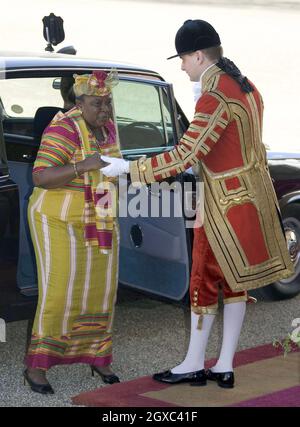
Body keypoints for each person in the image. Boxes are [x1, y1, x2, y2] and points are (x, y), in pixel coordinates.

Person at [100, 20, 294, 388]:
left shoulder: (214, 95)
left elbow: (185, 155)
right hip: (252, 197)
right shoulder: (245, 84)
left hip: (223, 203)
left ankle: (193, 363)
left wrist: (127, 167)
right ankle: (223, 364)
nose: (182, 66)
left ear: (200, 56)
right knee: (236, 283)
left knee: (203, 282)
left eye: (184, 58)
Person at [24, 70, 122, 394]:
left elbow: (112, 172)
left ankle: (98, 356)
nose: (105, 110)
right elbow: (40, 177)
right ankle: (37, 367)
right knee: (59, 292)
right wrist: (84, 166)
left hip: (100, 218)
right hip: (57, 220)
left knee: (102, 290)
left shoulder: (108, 128)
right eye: (98, 104)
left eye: (108, 103)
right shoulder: (63, 126)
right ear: (79, 103)